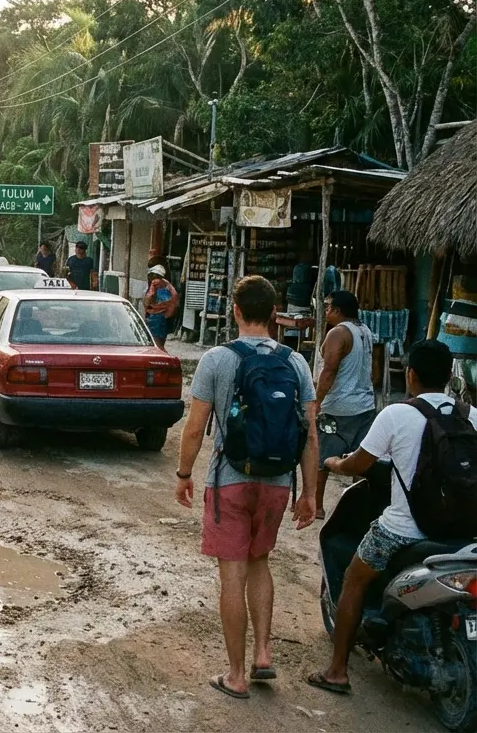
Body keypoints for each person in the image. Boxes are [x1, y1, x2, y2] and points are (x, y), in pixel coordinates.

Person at [175, 275, 318, 700]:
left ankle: (236, 676)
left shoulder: (216, 359)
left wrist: (183, 475)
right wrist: (310, 493)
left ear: (235, 310)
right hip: (277, 485)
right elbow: (309, 434)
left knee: (231, 575)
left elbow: (196, 428)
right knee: (261, 563)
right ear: (275, 314)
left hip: (230, 483)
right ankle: (263, 654)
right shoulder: (296, 363)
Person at [307, 340, 477, 695]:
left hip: (402, 532)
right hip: (464, 534)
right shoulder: (472, 416)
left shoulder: (396, 415)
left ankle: (337, 671)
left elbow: (359, 465)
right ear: (448, 377)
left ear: (410, 374)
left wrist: (334, 462)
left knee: (354, 579)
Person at [314, 291, 378, 519]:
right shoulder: (365, 331)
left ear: (338, 310)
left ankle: (317, 506)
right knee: (359, 459)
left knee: (323, 457)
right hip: (365, 404)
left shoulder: (338, 333)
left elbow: (329, 371)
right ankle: (355, 509)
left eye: (328, 306)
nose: (326, 310)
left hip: (339, 405)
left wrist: (317, 401)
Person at [143, 265, 179, 349]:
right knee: (161, 343)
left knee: (157, 346)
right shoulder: (168, 285)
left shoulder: (155, 283)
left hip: (156, 317)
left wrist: (146, 302)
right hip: (165, 318)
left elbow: (149, 298)